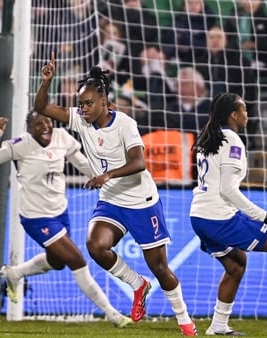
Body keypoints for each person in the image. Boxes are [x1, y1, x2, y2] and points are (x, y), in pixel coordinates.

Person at [34, 54, 197, 336]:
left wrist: (107, 175)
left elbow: (139, 163)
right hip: (112, 201)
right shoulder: (81, 121)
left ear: (104, 102)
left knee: (159, 267)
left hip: (141, 202)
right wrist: (46, 82)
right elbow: (42, 107)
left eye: (88, 104)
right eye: (81, 104)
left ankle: (185, 320)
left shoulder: (125, 124)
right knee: (96, 246)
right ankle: (137, 284)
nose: (82, 109)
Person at [0, 112, 132, 328]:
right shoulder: (20, 145)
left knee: (57, 262)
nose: (45, 127)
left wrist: (107, 178)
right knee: (77, 261)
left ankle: (15, 273)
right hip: (36, 217)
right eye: (38, 123)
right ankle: (112, 314)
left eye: (47, 122)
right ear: (29, 128)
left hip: (60, 211)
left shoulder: (61, 137)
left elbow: (82, 163)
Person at [189, 92, 267, 336]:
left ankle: (219, 326)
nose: (247, 114)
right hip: (219, 218)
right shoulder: (232, 140)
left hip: (199, 216)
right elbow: (227, 189)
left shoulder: (209, 138)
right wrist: (262, 215)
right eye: (243, 109)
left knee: (236, 265)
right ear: (233, 115)